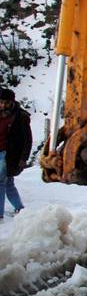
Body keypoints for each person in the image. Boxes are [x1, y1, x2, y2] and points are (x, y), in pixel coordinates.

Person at [0, 88, 31, 219]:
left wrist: (23, 158)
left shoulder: (21, 117)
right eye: (0, 102)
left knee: (0, 182)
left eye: (6, 103)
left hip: (9, 155)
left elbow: (27, 140)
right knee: (8, 184)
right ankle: (20, 208)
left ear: (12, 102)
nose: (2, 105)